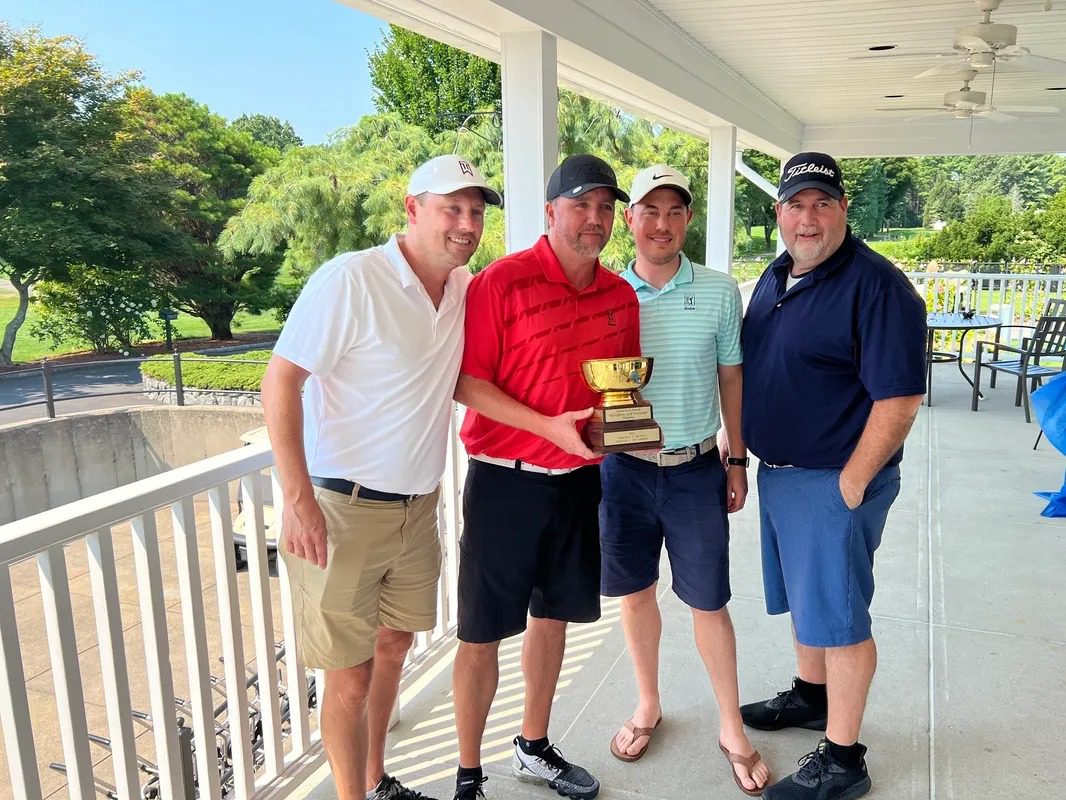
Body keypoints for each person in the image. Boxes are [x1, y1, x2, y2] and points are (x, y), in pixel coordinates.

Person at [261, 155, 501, 800]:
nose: (466, 223)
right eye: (452, 207)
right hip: (341, 507)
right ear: (412, 207)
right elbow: (281, 381)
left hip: (416, 508)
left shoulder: (459, 286)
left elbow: (462, 379)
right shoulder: (351, 280)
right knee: (350, 675)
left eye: (476, 211)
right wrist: (298, 499)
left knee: (396, 642)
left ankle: (375, 780)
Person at [450, 154, 640, 800]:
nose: (595, 219)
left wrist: (632, 429)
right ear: (551, 212)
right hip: (504, 481)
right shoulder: (500, 283)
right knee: (481, 631)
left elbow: (616, 393)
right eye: (582, 205)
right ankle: (469, 773)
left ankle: (534, 746)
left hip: (579, 482)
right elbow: (468, 382)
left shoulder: (619, 295)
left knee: (552, 616)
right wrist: (546, 426)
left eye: (606, 208)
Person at [739, 152, 927, 800]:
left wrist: (849, 485)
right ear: (779, 212)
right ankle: (811, 695)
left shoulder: (878, 287)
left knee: (840, 617)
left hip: (832, 481)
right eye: (797, 204)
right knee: (807, 603)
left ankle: (844, 760)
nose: (808, 217)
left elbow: (899, 399)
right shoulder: (776, 275)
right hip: (782, 476)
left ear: (843, 208)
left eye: (823, 203)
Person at [599, 164, 770, 796]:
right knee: (635, 594)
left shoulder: (720, 290)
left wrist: (735, 457)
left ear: (688, 220)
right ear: (629, 220)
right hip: (623, 472)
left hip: (697, 469)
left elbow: (732, 376)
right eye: (650, 211)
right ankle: (648, 703)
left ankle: (731, 724)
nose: (662, 223)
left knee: (709, 603)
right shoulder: (606, 293)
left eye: (674, 212)